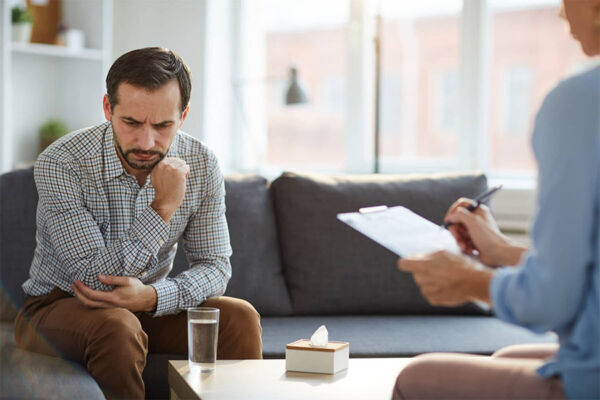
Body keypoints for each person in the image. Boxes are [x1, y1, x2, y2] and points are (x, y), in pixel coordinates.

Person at [13, 47, 262, 399]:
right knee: (117, 325)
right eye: (131, 123)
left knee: (239, 317)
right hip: (58, 306)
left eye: (163, 125)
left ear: (184, 115)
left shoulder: (202, 164)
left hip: (145, 305)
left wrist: (152, 297)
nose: (147, 142)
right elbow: (89, 277)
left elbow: (216, 267)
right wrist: (162, 207)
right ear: (107, 109)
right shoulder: (62, 162)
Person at [394, 1, 600, 399]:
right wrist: (502, 251)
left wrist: (469, 280)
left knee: (413, 379)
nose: (560, 14)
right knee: (507, 356)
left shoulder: (578, 103)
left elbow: (551, 303)